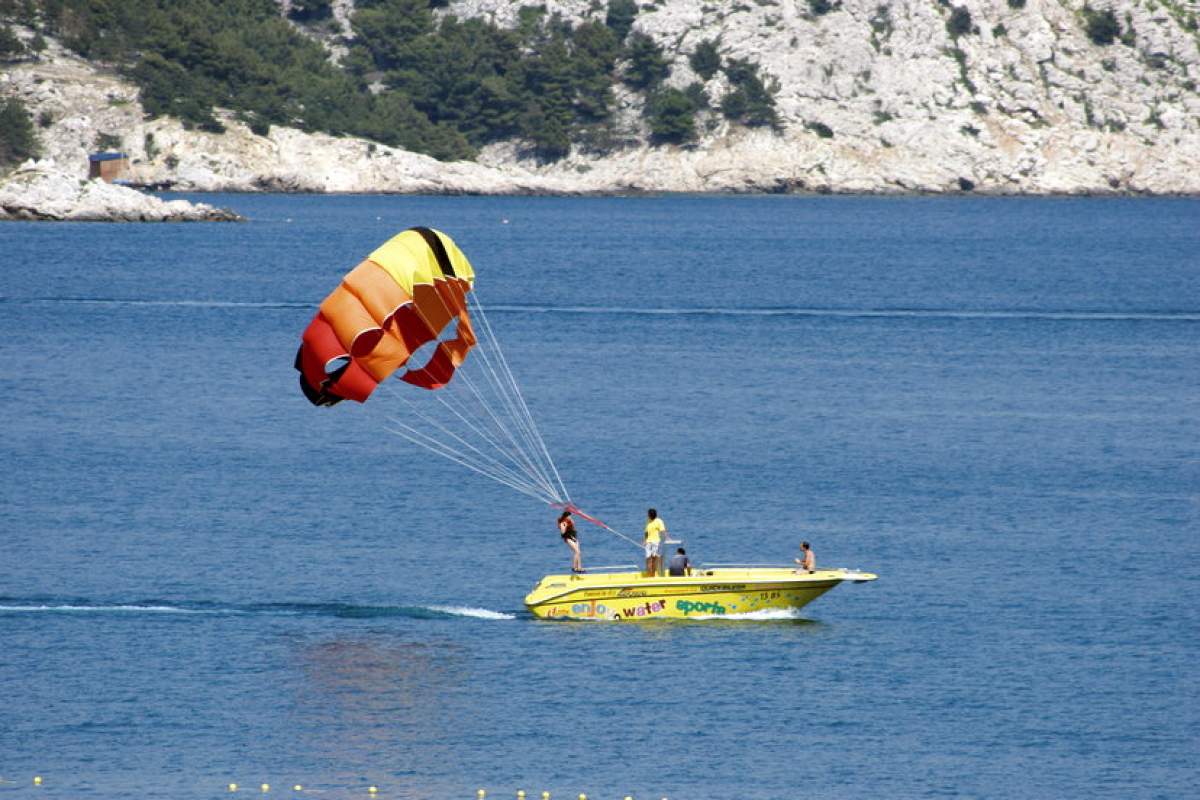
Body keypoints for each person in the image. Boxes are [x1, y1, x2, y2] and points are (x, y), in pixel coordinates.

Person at [643, 508, 666, 576]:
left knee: (650, 559)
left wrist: (644, 540)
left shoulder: (652, 521)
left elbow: (646, 532)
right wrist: (667, 538)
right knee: (652, 559)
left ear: (650, 515)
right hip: (652, 542)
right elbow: (662, 531)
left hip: (651, 542)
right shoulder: (657, 521)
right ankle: (651, 575)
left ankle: (651, 574)